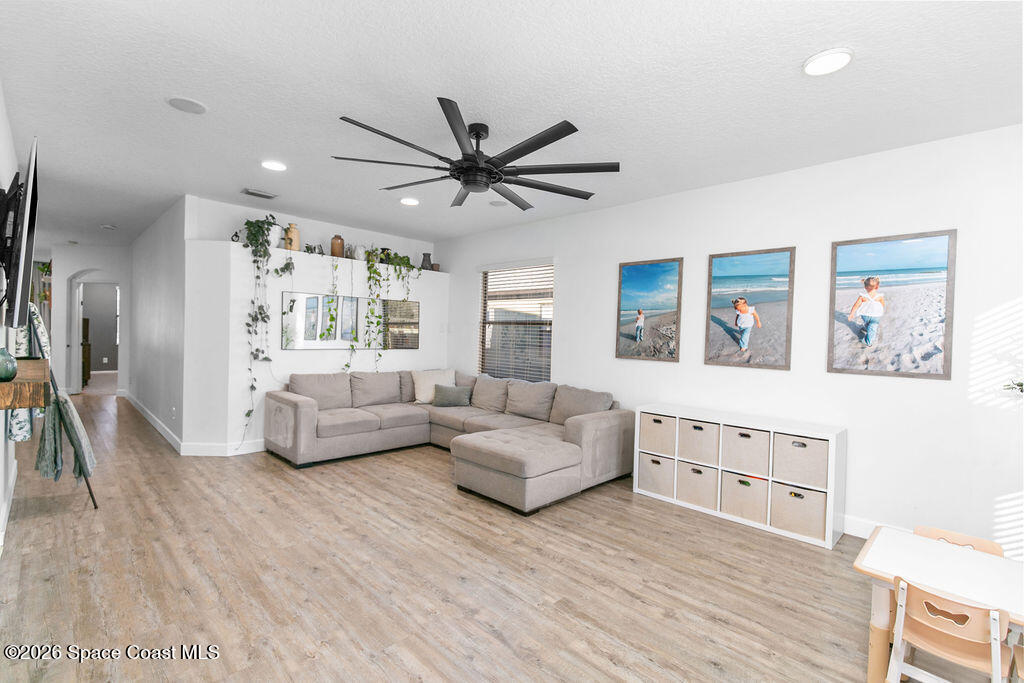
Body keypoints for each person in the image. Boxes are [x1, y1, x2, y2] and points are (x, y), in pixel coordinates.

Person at [847, 276, 885, 347]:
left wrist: (852, 314)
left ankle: (867, 335)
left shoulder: (863, 296)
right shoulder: (879, 296)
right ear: (877, 287)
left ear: (865, 287)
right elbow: (882, 305)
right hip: (875, 316)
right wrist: (879, 309)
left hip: (865, 315)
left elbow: (856, 306)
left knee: (871, 325)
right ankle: (868, 341)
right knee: (872, 326)